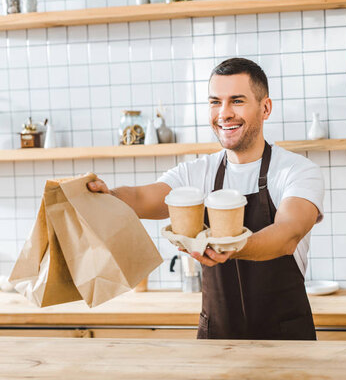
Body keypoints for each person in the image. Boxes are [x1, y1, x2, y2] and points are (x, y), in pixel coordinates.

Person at [87, 58, 324, 340]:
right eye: (215, 102)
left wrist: (233, 246)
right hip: (217, 342)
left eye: (237, 101)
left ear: (265, 108)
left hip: (288, 344)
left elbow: (287, 235)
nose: (224, 113)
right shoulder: (197, 172)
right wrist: (106, 195)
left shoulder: (297, 171)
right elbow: (140, 197)